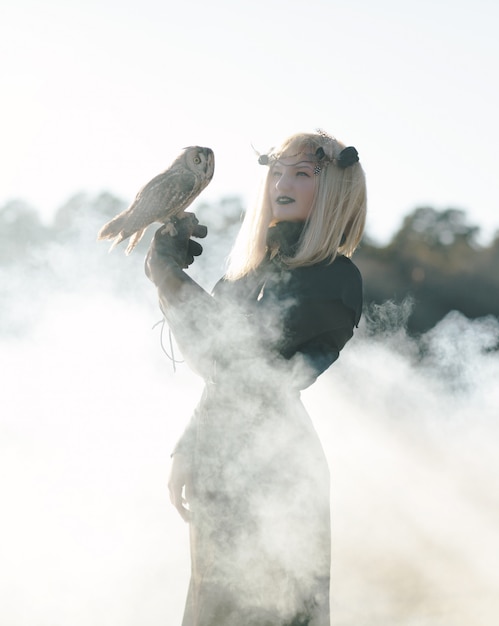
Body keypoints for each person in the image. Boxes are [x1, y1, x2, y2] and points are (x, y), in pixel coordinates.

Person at [144, 130, 367, 626]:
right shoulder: (251, 273)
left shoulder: (335, 277)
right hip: (223, 459)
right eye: (277, 171)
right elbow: (223, 376)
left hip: (276, 472)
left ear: (333, 190)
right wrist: (190, 444)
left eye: (302, 174)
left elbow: (235, 361)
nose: (281, 183)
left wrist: (167, 274)